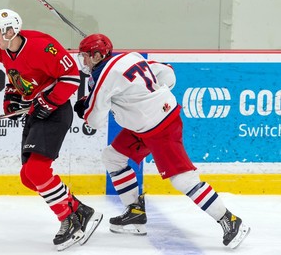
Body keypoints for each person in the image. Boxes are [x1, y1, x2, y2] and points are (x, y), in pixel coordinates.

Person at [73, 34, 250, 249]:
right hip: (147, 125)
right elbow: (168, 74)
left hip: (161, 128)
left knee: (183, 179)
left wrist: (84, 110)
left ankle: (230, 221)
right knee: (112, 157)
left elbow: (95, 120)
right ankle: (135, 214)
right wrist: (148, 98)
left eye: (85, 56)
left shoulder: (104, 77)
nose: (83, 62)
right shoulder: (131, 57)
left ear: (98, 55)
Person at [0, 9, 102, 251]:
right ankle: (80, 210)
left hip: (55, 111)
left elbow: (71, 76)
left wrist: (48, 102)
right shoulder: (1, 50)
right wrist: (11, 95)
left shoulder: (43, 46)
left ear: (10, 31)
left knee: (37, 171)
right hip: (34, 112)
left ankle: (69, 219)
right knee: (29, 177)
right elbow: (14, 74)